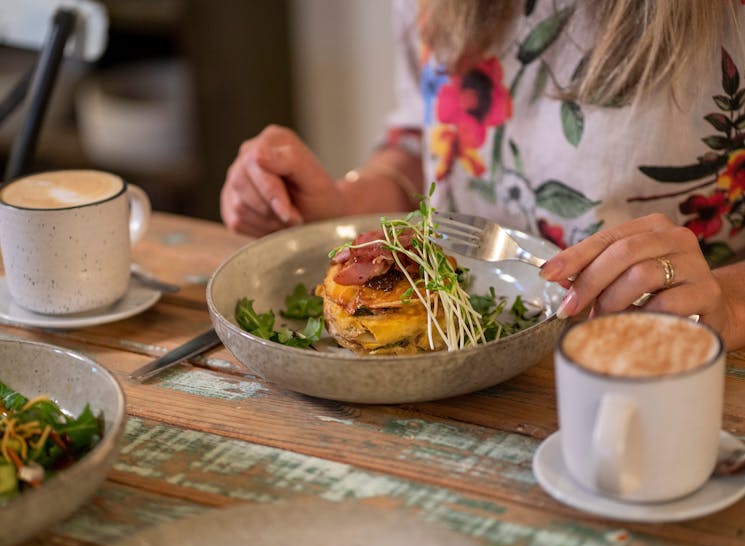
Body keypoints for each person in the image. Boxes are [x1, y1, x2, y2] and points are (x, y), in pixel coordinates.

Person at [220, 0, 745, 351]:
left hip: (677, 366)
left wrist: (730, 304)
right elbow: (424, 145)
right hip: (466, 376)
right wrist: (340, 205)